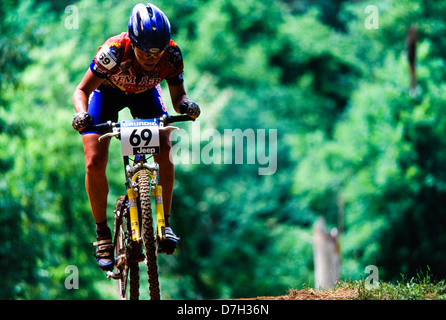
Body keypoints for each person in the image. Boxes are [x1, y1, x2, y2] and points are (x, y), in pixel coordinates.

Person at [71, 3, 200, 271]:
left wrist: (187, 106)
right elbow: (81, 91)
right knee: (94, 162)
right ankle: (102, 234)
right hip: (106, 95)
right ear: (133, 41)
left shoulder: (172, 55)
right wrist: (82, 114)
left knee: (165, 150)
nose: (152, 59)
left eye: (157, 53)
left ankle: (164, 222)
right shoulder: (114, 51)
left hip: (146, 96)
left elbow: (178, 98)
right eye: (144, 52)